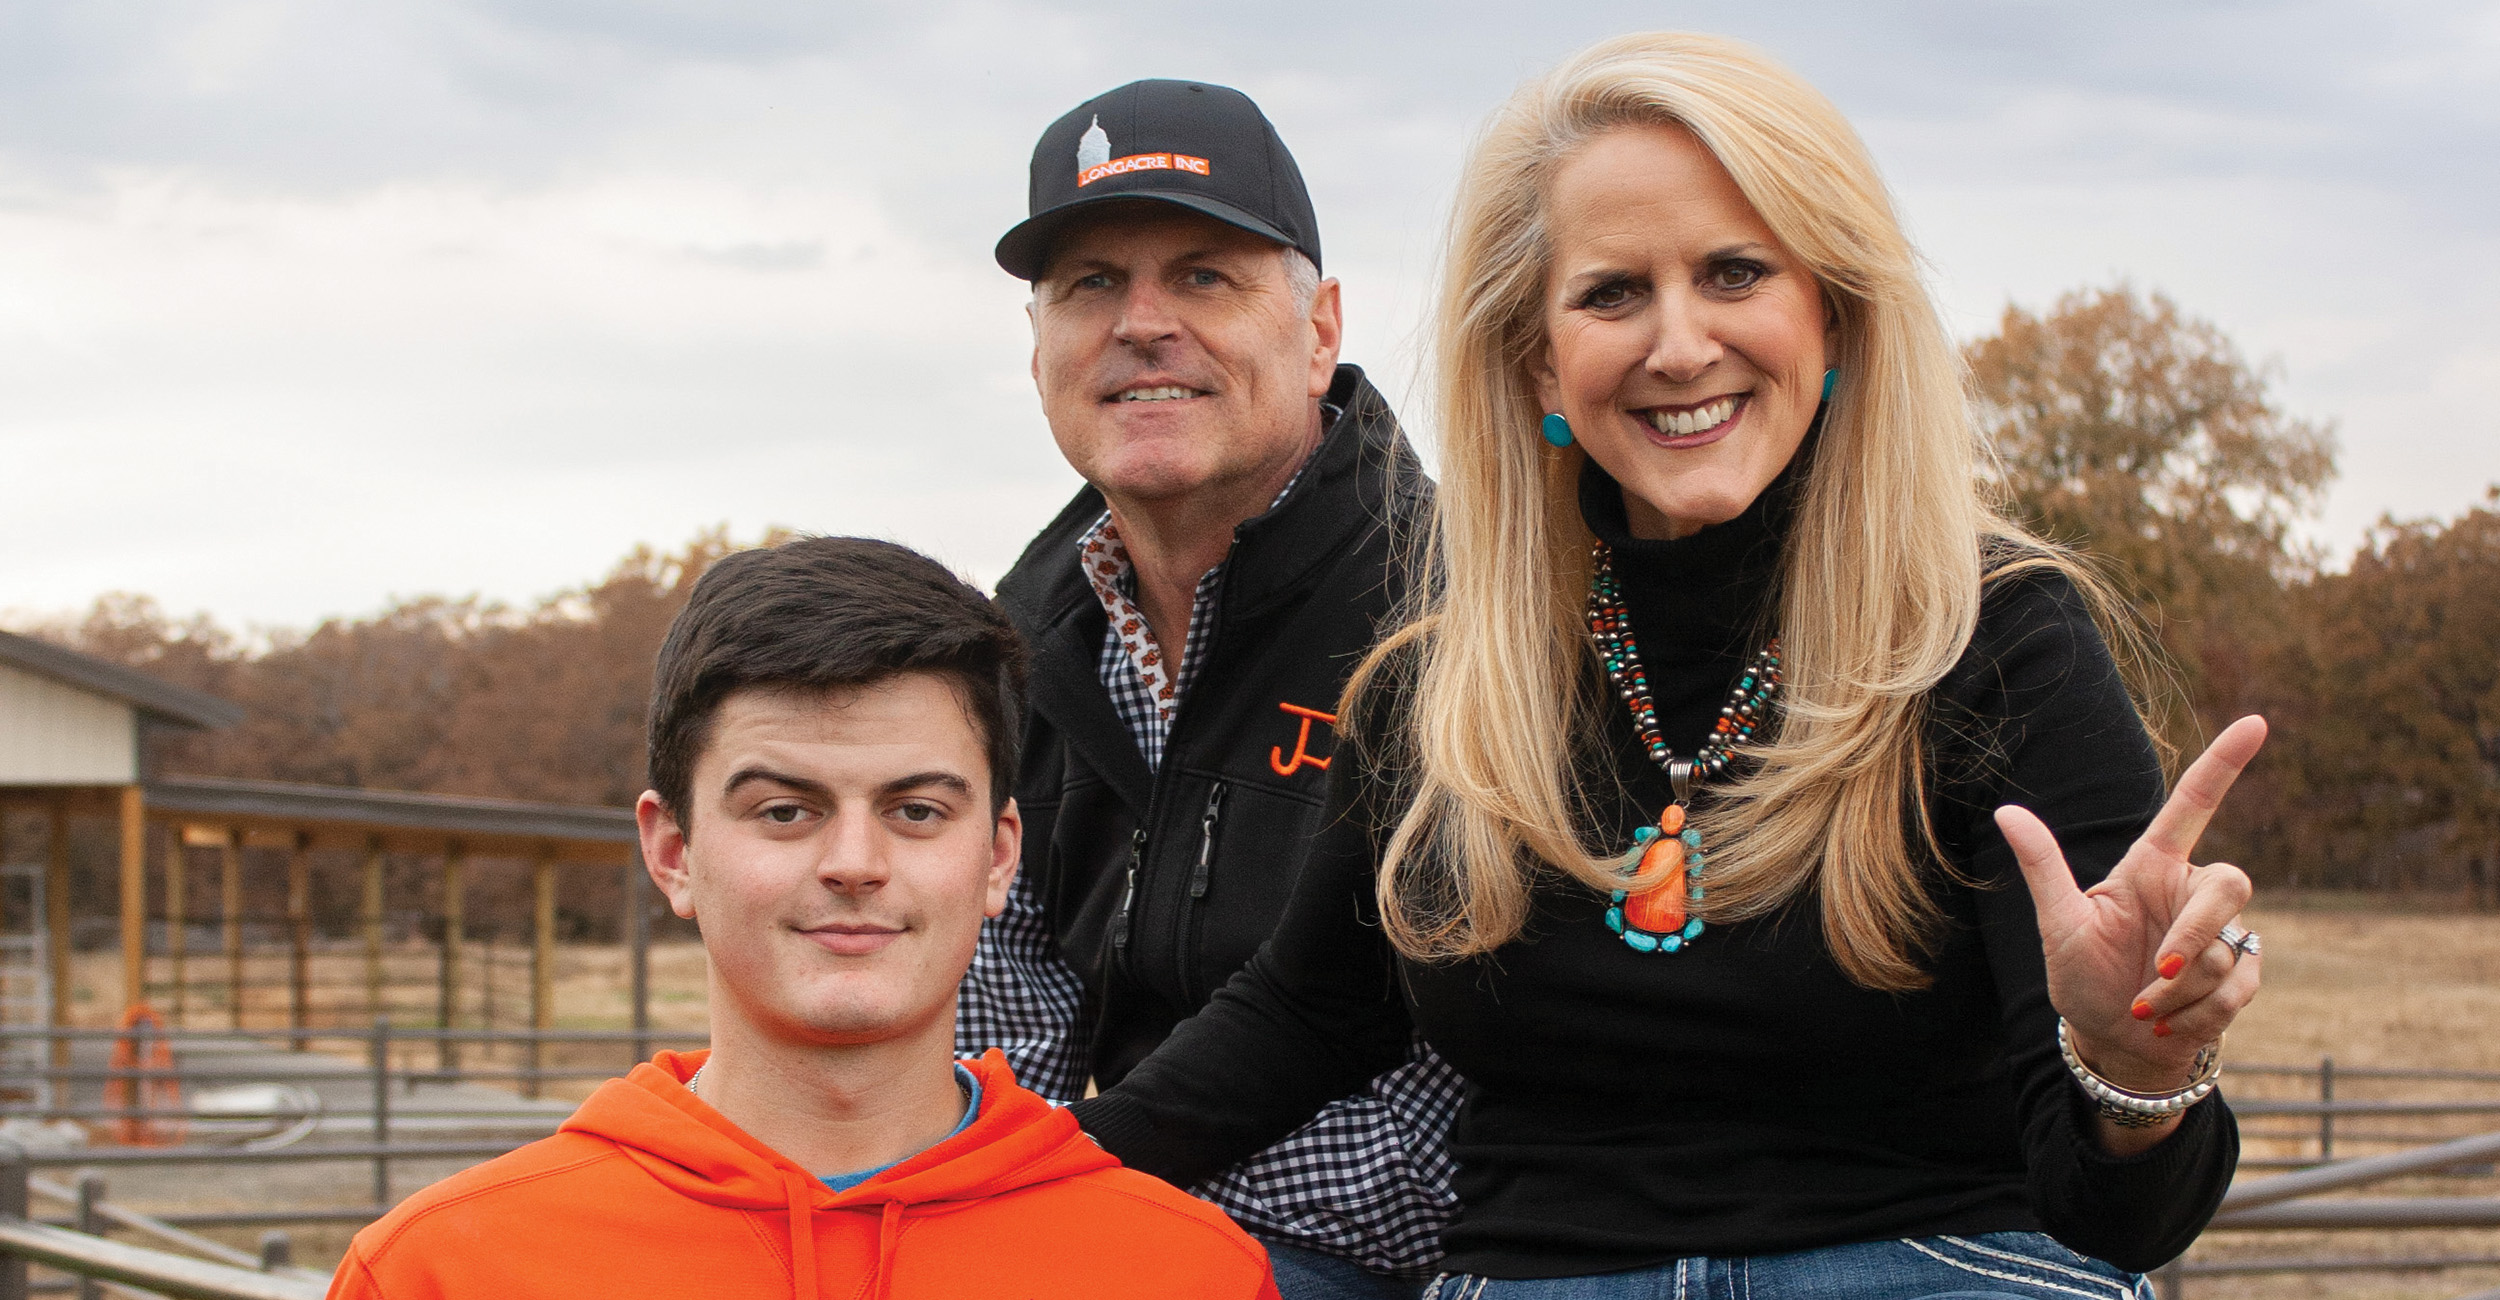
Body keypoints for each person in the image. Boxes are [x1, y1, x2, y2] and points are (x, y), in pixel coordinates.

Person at [1071, 33, 2267, 1299]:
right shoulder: (1450, 682)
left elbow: (2124, 1219)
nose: (1680, 344)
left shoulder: (1994, 639)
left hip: (1930, 1264)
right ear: (1538, 358)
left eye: (1735, 272)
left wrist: (2132, 1079)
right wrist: (999, 1183)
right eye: (1611, 293)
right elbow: (1298, 1019)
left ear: (1836, 317)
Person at [328, 536, 1279, 1300]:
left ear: (997, 856)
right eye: (786, 810)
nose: (854, 866)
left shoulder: (1185, 1272)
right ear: (673, 853)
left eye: (916, 811)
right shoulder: (443, 1270)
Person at [956, 77, 1459, 1298]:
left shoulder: (1458, 608)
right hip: (1124, 1219)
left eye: (1201, 276)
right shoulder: (1020, 633)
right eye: (1089, 285)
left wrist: (1108, 1206)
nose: (1140, 324)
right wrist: (978, 1199)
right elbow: (997, 1001)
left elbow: (1442, 1089)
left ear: (1320, 328)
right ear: (1038, 352)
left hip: (1405, 1251)